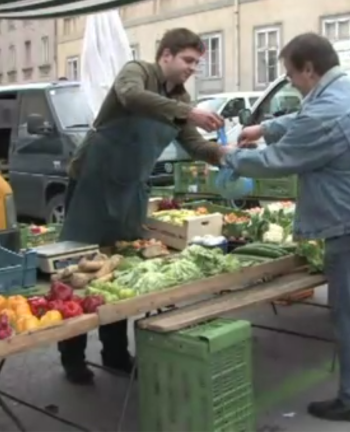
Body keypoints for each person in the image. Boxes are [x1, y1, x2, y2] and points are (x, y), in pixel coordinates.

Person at [224, 33, 350, 423]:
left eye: (291, 74)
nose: (291, 81)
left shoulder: (326, 112)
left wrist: (229, 157)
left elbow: (281, 160)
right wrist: (265, 128)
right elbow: (307, 119)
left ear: (309, 69)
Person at [57, 28, 226, 385]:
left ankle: (115, 352)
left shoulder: (180, 97)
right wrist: (188, 111)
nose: (192, 68)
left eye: (197, 62)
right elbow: (131, 97)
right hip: (92, 183)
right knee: (78, 272)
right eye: (188, 60)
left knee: (120, 269)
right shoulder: (136, 72)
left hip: (130, 190)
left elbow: (194, 144)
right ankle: (71, 357)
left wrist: (224, 155)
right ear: (165, 55)